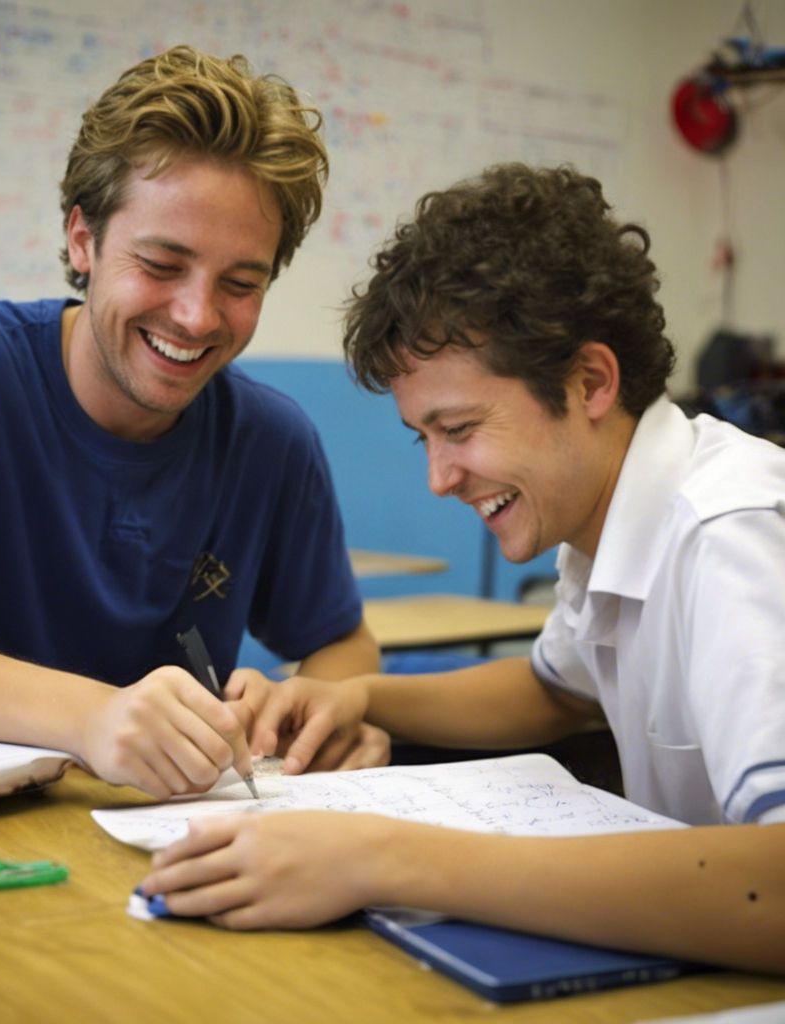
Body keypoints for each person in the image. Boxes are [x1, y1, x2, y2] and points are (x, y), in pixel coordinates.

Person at [0, 46, 384, 1022]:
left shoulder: (272, 441)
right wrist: (93, 717)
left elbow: (341, 646)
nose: (195, 316)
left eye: (240, 282)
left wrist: (315, 704)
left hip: (147, 848)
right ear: (82, 239)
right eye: (162, 264)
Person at [140, 163, 785, 976]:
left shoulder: (728, 536)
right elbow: (555, 691)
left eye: (460, 428)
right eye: (425, 437)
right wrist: (359, 695)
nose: (439, 478)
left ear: (589, 381)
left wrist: (385, 858)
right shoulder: (614, 518)